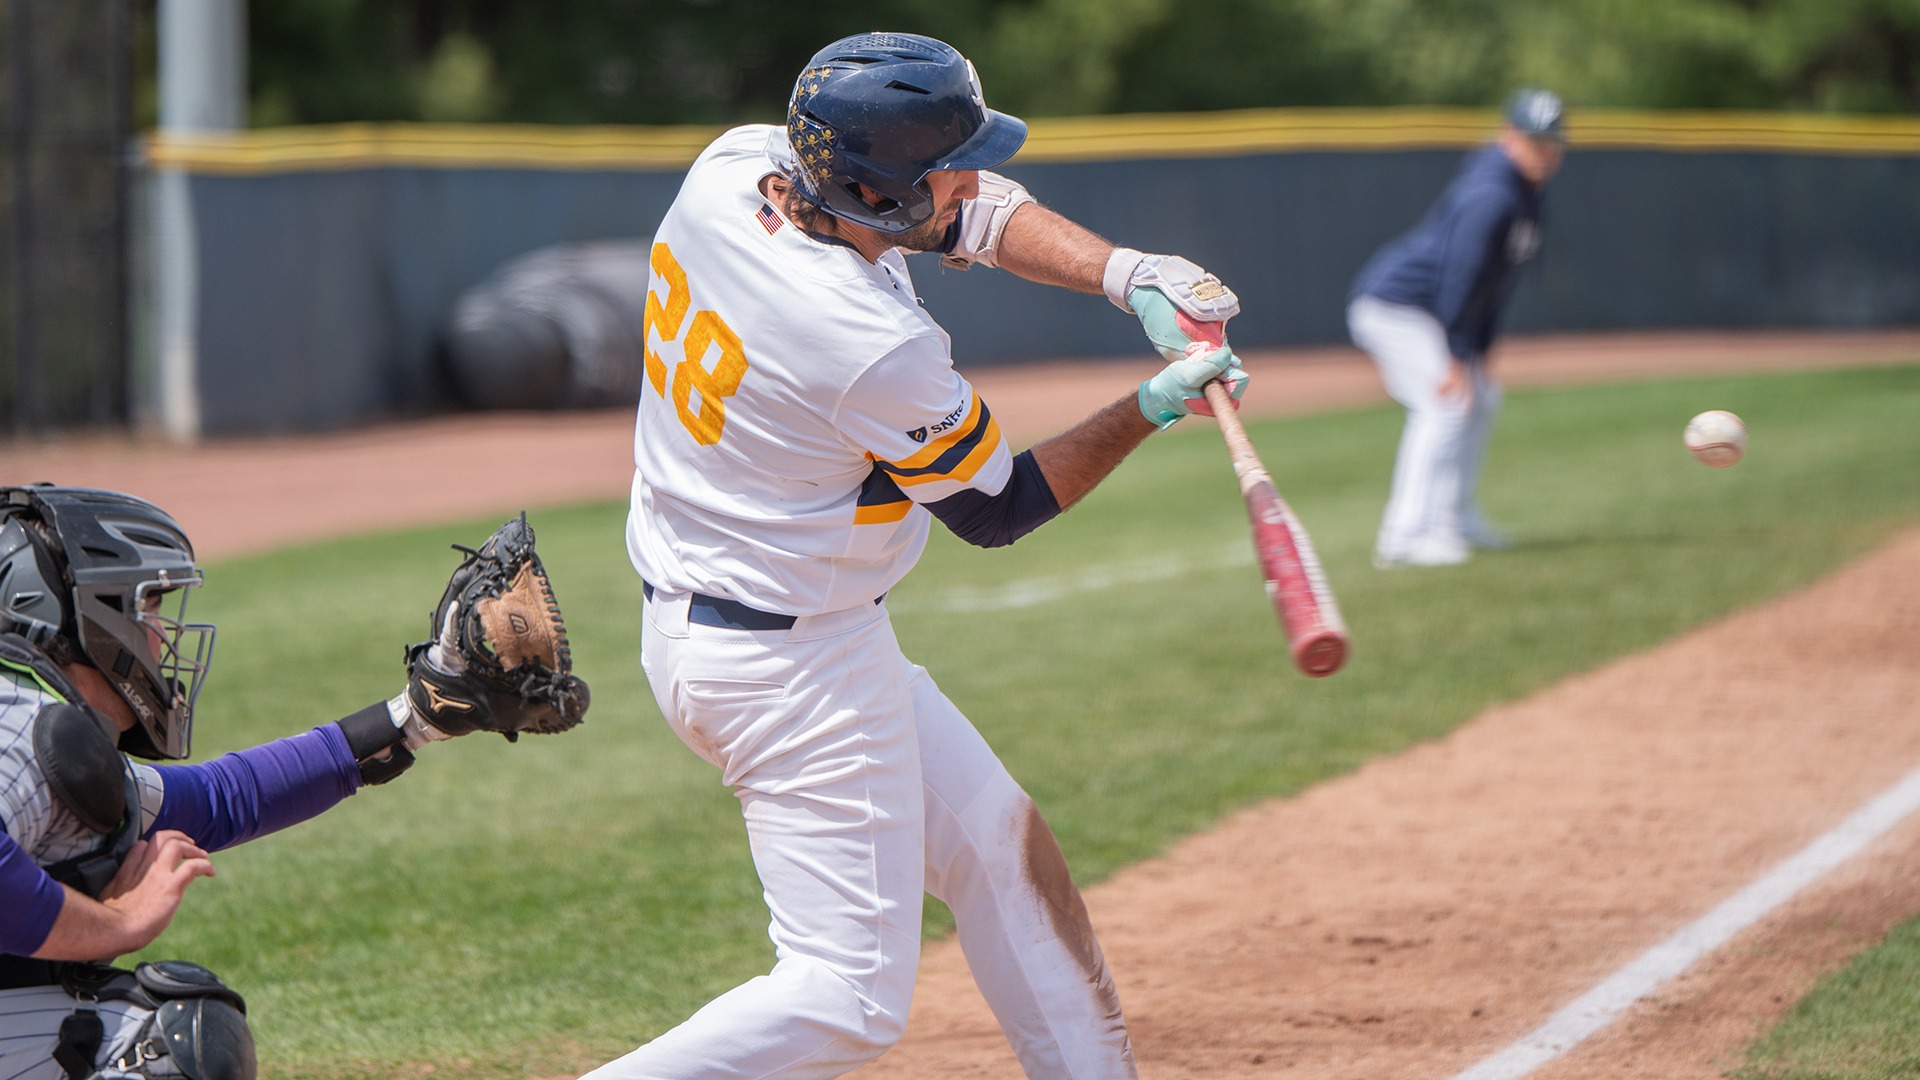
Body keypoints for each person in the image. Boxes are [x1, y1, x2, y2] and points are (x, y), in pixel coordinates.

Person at [598, 31, 1245, 1080]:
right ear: (877, 191)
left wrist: (1130, 277)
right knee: (844, 999)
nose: (972, 177)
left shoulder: (739, 166)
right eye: (948, 161)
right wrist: (1151, 406)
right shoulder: (861, 342)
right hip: (787, 669)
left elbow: (970, 213)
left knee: (997, 843)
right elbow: (1001, 508)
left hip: (750, 619)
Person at [0, 484, 556, 1080]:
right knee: (177, 1045)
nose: (162, 636)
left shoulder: (40, 729)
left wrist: (412, 719)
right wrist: (119, 923)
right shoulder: (19, 725)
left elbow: (220, 799)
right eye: (149, 606)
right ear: (77, 616)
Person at [1347, 88, 1566, 568]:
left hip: (1432, 312)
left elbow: (1497, 280)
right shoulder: (1492, 194)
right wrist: (1455, 353)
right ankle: (1402, 536)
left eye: (1552, 143)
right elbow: (1461, 275)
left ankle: (1455, 519)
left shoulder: (1530, 193)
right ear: (1511, 137)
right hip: (1394, 306)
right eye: (1535, 142)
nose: (1545, 153)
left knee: (1483, 396)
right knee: (1443, 402)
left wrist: (1478, 350)